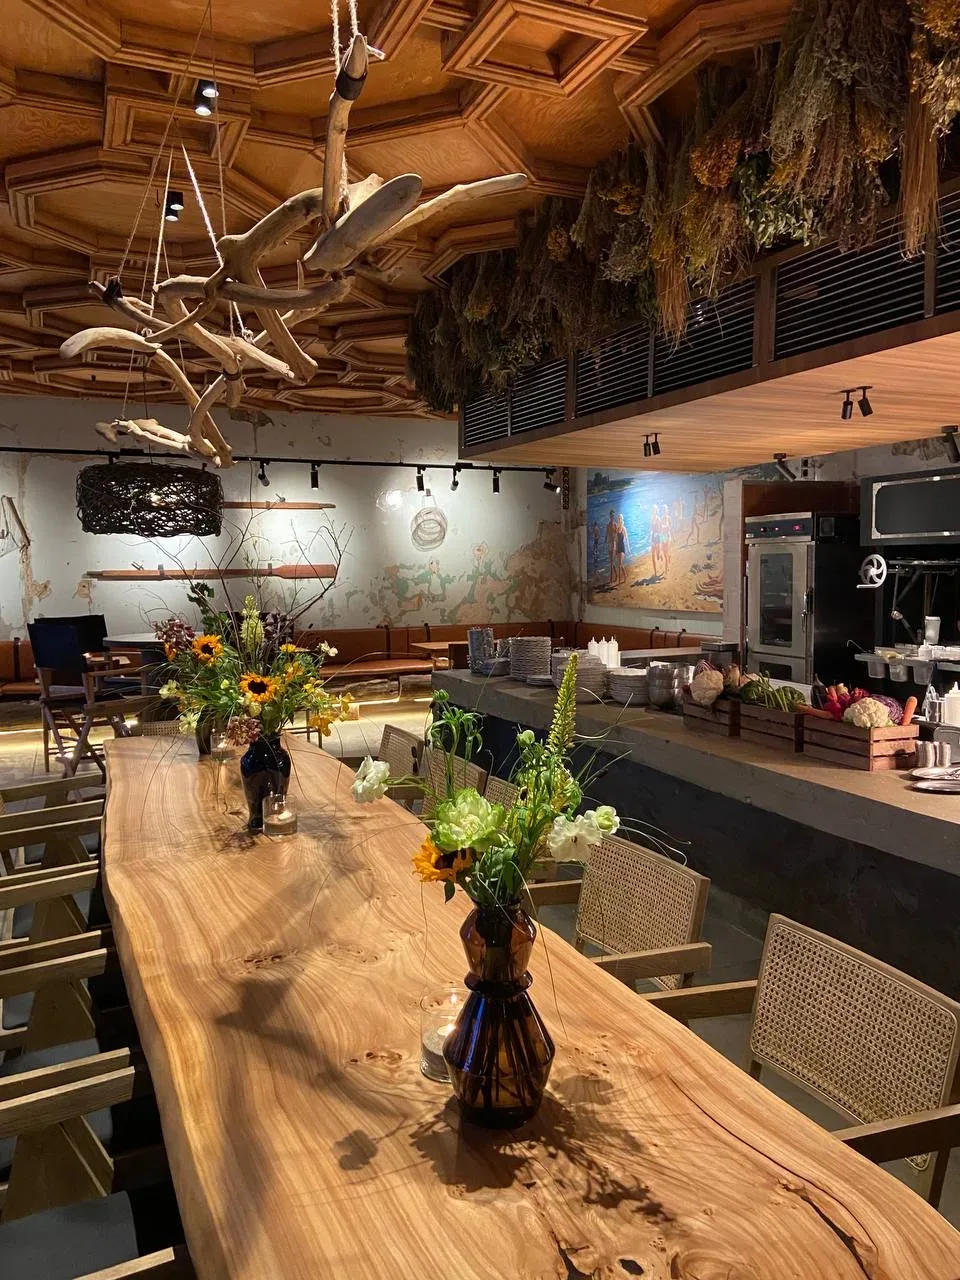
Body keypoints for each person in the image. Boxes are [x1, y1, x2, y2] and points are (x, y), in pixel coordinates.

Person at [615, 513, 630, 584]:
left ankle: (620, 580)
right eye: (618, 518)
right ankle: (624, 576)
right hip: (618, 547)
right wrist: (615, 549)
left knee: (620, 564)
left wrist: (628, 548)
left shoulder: (624, 528)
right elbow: (616, 540)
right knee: (620, 564)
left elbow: (627, 539)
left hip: (622, 547)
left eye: (620, 518)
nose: (619, 520)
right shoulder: (617, 528)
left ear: (622, 519)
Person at [605, 508, 618, 586]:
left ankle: (611, 579)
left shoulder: (615, 525)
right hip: (609, 544)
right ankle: (616, 575)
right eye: (611, 516)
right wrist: (605, 541)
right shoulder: (608, 525)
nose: (612, 517)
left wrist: (617, 546)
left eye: (613, 515)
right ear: (610, 516)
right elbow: (606, 534)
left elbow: (616, 535)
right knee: (611, 562)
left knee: (611, 563)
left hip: (614, 544)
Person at [650, 504, 662, 578]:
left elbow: (660, 530)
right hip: (653, 537)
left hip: (657, 537)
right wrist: (650, 537)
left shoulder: (658, 519)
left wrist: (662, 539)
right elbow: (651, 529)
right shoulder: (651, 518)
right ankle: (655, 572)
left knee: (658, 555)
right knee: (653, 555)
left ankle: (661, 561)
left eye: (655, 510)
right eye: (653, 510)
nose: (654, 511)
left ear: (656, 510)